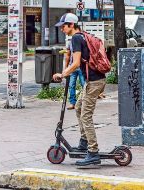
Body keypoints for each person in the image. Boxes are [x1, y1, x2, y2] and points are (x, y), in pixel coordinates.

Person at [53, 13, 106, 166]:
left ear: (71, 25)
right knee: (78, 107)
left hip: (94, 82)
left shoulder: (76, 38)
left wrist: (62, 74)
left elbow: (75, 63)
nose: (62, 29)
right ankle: (84, 142)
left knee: (86, 116)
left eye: (63, 26)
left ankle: (93, 151)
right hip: (93, 81)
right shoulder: (82, 36)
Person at [65, 39, 85, 110]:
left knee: (84, 85)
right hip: (72, 67)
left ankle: (83, 102)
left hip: (81, 67)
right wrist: (66, 68)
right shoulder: (70, 42)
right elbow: (67, 55)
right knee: (71, 85)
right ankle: (72, 103)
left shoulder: (82, 41)